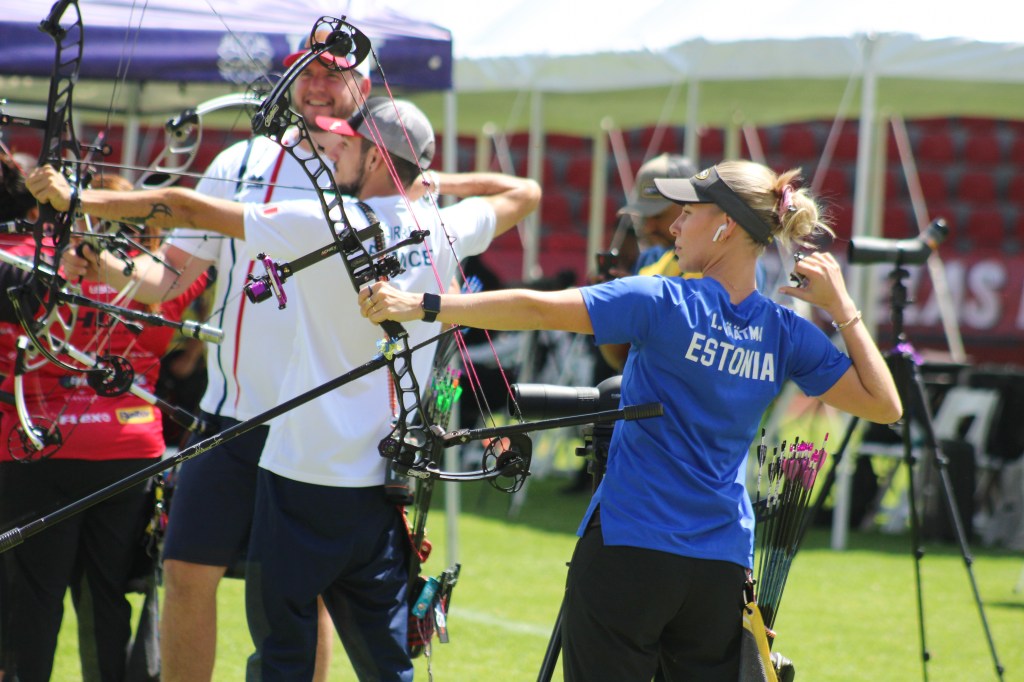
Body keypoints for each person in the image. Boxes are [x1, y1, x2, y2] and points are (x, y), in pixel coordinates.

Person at [29, 96, 541, 681]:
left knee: (282, 649)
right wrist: (427, 176)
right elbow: (524, 190)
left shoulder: (325, 224)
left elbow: (180, 204)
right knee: (385, 660)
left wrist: (79, 199)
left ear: (378, 158)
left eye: (351, 145)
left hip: (299, 477)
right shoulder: (446, 225)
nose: (336, 153)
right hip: (378, 485)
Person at [358, 159, 902, 681]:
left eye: (691, 213)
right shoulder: (784, 332)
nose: (678, 225)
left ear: (727, 227)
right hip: (720, 569)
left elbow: (537, 308)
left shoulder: (663, 300)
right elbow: (885, 405)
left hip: (630, 549)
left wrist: (421, 305)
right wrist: (843, 307)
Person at [64, 43, 373, 682]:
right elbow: (170, 277)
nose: (315, 86)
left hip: (312, 427)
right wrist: (98, 260)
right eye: (305, 72)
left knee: (295, 590)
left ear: (364, 91)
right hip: (228, 415)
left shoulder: (369, 169)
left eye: (333, 76)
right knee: (184, 572)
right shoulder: (241, 160)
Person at [0, 172, 208, 682]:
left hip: (35, 447)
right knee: (107, 599)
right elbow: (199, 269)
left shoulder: (25, 260)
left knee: (33, 603)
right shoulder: (159, 276)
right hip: (127, 449)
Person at [620, 153, 696, 277]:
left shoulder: (716, 262)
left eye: (658, 215)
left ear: (690, 205)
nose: (648, 227)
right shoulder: (650, 258)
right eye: (644, 216)